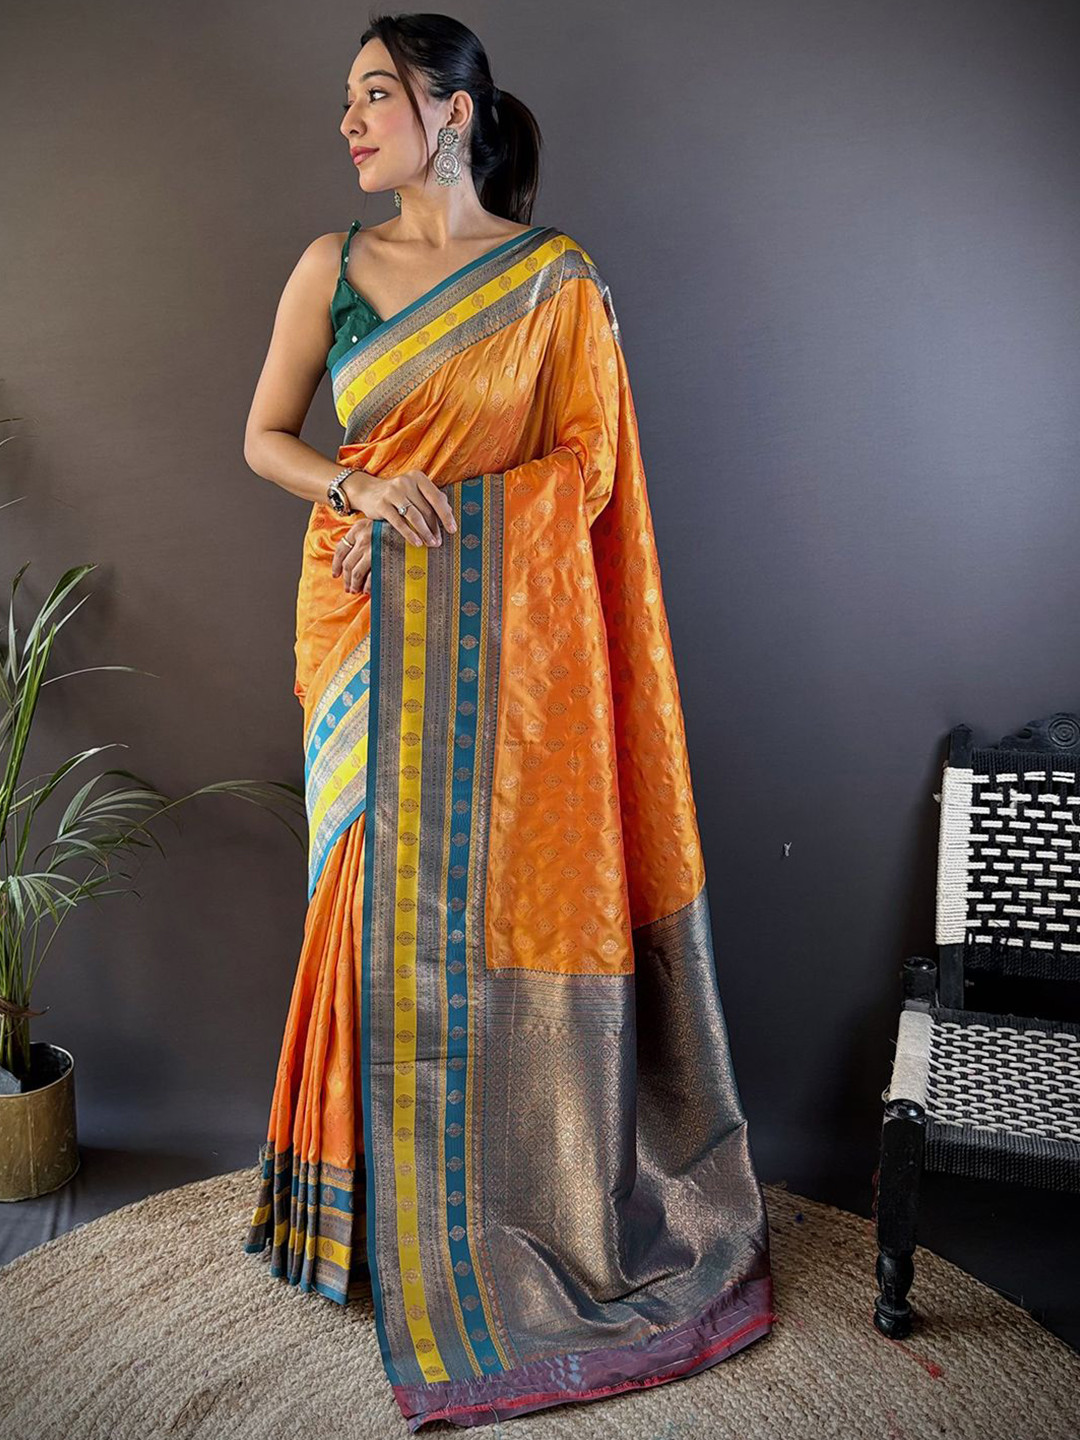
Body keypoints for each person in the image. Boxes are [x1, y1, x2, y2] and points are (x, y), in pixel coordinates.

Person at [241, 12, 774, 1432]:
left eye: (376, 94)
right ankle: (358, 1221)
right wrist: (357, 489)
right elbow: (266, 437)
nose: (350, 120)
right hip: (361, 626)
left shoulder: (554, 283)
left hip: (504, 649)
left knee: (487, 905)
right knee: (368, 897)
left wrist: (459, 529)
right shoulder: (331, 267)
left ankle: (487, 1215)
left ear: (454, 113)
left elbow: (589, 470)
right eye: (348, 98)